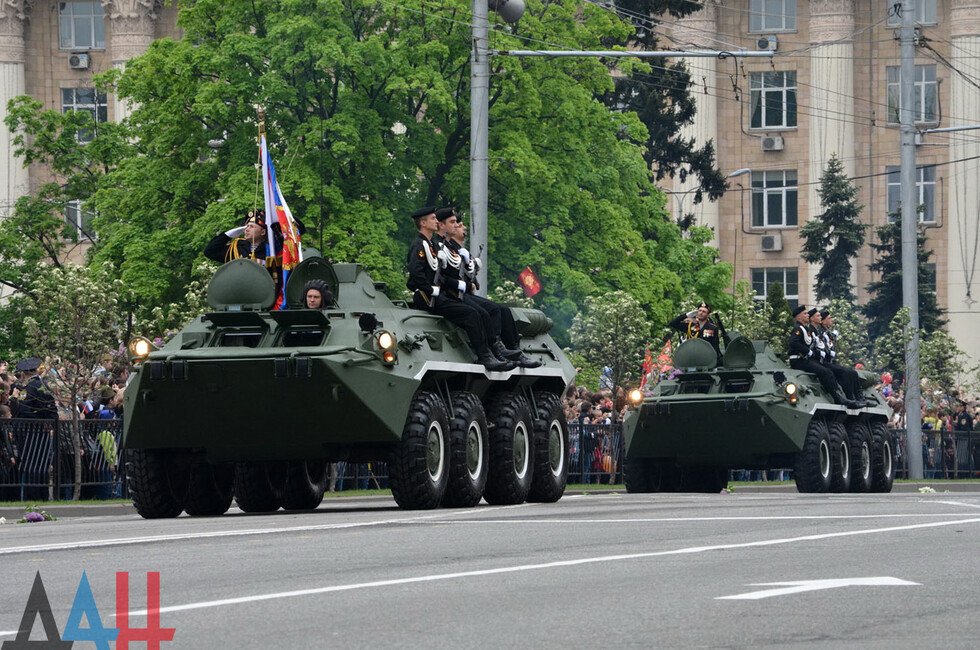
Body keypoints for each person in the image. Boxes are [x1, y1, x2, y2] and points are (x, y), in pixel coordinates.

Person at [406, 206, 512, 371]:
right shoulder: (420, 245)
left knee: (479, 311)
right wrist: (430, 289)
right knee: (470, 313)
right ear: (423, 223)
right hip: (427, 297)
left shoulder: (431, 245)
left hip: (437, 294)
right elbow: (416, 273)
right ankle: (484, 356)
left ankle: (493, 352)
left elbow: (440, 273)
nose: (436, 221)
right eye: (433, 218)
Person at [441, 207, 541, 368]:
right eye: (457, 224)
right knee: (482, 312)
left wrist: (471, 269)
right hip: (450, 293)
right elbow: (443, 276)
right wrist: (465, 282)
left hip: (461, 292)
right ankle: (494, 351)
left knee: (503, 311)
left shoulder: (455, 250)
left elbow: (467, 278)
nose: (462, 227)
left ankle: (514, 350)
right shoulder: (442, 248)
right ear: (443, 226)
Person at [787, 305, 861, 409]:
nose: (807, 315)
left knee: (829, 371)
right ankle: (837, 397)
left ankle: (843, 396)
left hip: (805, 359)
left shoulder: (805, 329)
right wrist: (808, 351)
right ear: (799, 317)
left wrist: (815, 352)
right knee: (825, 372)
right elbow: (793, 343)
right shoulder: (798, 329)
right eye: (805, 314)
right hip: (798, 360)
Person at [814, 309, 870, 407]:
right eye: (829, 318)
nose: (831, 320)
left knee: (853, 373)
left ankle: (859, 397)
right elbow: (821, 347)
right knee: (843, 372)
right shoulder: (821, 332)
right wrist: (828, 350)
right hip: (823, 361)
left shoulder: (827, 332)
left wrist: (833, 339)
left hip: (830, 360)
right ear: (823, 321)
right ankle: (849, 397)